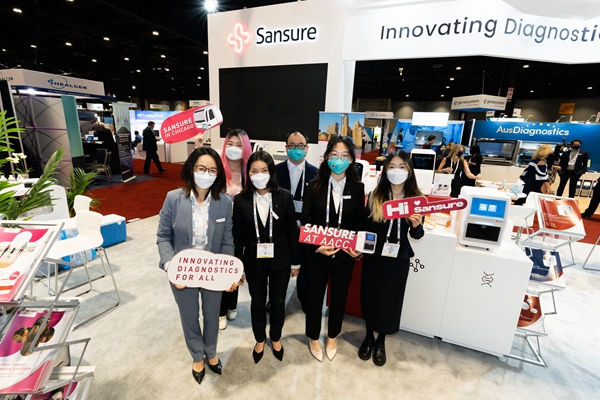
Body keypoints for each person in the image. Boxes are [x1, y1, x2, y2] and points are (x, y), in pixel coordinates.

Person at [156, 148, 235, 385]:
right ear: (192, 169)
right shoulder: (173, 199)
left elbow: (227, 240)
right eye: (201, 168)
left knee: (212, 314)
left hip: (212, 271)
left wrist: (229, 272)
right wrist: (171, 267)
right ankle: (197, 356)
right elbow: (163, 236)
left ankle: (211, 352)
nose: (206, 174)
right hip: (183, 270)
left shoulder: (224, 202)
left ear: (218, 174)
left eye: (212, 170)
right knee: (189, 316)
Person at [301, 135, 366, 362]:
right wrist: (316, 246)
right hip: (319, 254)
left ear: (351, 160)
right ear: (327, 157)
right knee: (314, 297)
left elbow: (359, 223)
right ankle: (313, 336)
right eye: (334, 154)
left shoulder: (357, 188)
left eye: (344, 155)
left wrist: (357, 247)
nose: (339, 159)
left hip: (344, 255)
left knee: (339, 297)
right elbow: (306, 221)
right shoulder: (314, 186)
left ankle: (332, 336)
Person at [358, 150, 424, 366]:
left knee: (390, 301)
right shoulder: (375, 196)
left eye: (402, 167)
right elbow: (366, 227)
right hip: (375, 257)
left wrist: (417, 226)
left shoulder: (417, 199)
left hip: (398, 260)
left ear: (409, 171)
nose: (397, 171)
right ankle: (369, 335)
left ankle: (381, 340)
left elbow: (417, 235)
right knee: (370, 297)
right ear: (385, 170)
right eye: (392, 166)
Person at [233, 151, 300, 363]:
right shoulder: (241, 199)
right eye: (254, 171)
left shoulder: (284, 196)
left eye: (264, 170)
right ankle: (260, 338)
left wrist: (296, 261)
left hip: (281, 259)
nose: (259, 174)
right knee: (257, 302)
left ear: (271, 172)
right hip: (253, 261)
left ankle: (276, 337)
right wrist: (238, 267)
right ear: (248, 173)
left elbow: (292, 231)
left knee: (278, 301)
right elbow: (238, 236)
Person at [275, 131, 318, 313]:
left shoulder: (316, 173)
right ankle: (276, 299)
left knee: (305, 266)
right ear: (286, 148)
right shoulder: (275, 171)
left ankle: (304, 298)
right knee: (280, 267)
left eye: (300, 146)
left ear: (306, 149)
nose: (296, 149)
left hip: (305, 228)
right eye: (292, 145)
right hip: (280, 228)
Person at [219, 128, 253, 329]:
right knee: (220, 267)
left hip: (241, 229)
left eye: (239, 144)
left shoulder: (249, 172)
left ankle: (232, 304)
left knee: (236, 266)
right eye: (230, 144)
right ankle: (220, 310)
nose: (234, 148)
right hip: (219, 227)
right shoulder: (218, 169)